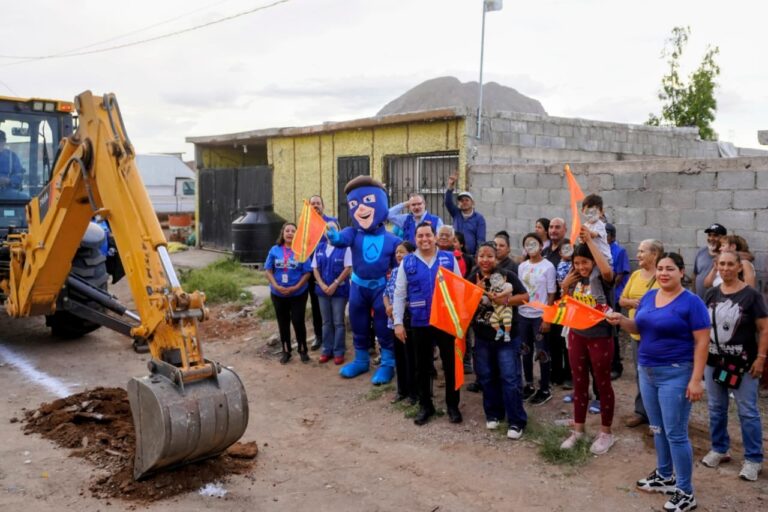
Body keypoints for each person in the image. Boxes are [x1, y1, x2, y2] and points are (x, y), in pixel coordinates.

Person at [608, 253, 710, 512]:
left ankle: (686, 492)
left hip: (676, 373)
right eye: (661, 269)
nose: (664, 273)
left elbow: (702, 342)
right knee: (656, 428)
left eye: (670, 269)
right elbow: (639, 327)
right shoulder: (650, 297)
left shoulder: (692, 303)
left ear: (681, 272)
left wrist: (696, 380)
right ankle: (665, 475)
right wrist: (621, 322)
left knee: (675, 433)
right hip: (647, 371)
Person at [701, 250, 768, 482]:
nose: (726, 268)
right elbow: (702, 329)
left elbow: (764, 328)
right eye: (722, 264)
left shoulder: (751, 296)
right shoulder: (711, 293)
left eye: (731, 264)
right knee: (716, 407)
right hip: (714, 362)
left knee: (747, 411)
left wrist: (761, 358)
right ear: (717, 266)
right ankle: (720, 449)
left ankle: (753, 459)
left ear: (740, 267)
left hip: (743, 364)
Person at [393, 222, 461, 426]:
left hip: (445, 321)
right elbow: (399, 293)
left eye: (428, 235)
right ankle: (426, 405)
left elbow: (459, 289)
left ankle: (452, 405)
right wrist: (397, 322)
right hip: (420, 321)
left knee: (450, 365)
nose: (425, 239)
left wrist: (459, 320)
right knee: (421, 366)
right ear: (415, 239)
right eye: (420, 236)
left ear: (435, 237)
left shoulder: (448, 259)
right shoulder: (408, 262)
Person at [559, 228, 616, 455]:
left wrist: (590, 241)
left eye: (586, 262)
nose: (582, 267)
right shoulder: (574, 279)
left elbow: (606, 269)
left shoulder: (602, 278)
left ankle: (606, 433)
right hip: (577, 334)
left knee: (602, 384)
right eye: (578, 262)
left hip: (600, 336)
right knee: (579, 383)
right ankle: (579, 430)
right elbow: (566, 306)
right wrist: (564, 287)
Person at [469, 242, 529, 439]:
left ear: (496, 258)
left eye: (489, 256)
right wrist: (474, 292)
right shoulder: (472, 276)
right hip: (482, 337)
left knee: (510, 378)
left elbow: (524, 296)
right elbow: (463, 303)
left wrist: (504, 301)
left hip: (507, 337)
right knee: (486, 377)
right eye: (481, 256)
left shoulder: (507, 275)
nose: (485, 260)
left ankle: (516, 421)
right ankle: (493, 414)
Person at [619, 239, 664, 428]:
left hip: (656, 336)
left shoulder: (662, 276)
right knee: (640, 374)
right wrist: (632, 303)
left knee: (658, 376)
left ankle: (659, 416)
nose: (638, 255)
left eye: (642, 251)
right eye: (638, 251)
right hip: (636, 335)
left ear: (654, 255)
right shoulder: (636, 275)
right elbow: (621, 300)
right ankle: (641, 412)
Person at [517, 233, 557, 405]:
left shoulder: (548, 267)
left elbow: (551, 293)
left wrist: (547, 318)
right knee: (525, 351)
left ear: (541, 246)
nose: (531, 247)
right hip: (523, 315)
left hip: (539, 317)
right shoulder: (522, 266)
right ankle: (529, 385)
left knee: (542, 352)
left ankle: (545, 388)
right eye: (527, 244)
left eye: (534, 243)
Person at [265, 222, 313, 364]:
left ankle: (303, 350)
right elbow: (268, 270)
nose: (290, 233)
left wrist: (296, 287)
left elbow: (307, 273)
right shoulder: (274, 250)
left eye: (293, 231)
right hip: (278, 294)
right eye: (288, 230)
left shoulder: (302, 251)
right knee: (283, 323)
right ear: (283, 233)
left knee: (298, 321)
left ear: (297, 235)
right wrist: (276, 286)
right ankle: (286, 352)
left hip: (298, 294)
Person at [312, 221, 352, 365]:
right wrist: (322, 285)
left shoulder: (345, 248)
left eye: (333, 228)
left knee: (338, 322)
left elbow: (347, 268)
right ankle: (326, 350)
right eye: (327, 228)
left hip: (339, 291)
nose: (329, 231)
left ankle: (339, 351)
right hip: (322, 291)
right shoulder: (320, 248)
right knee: (326, 322)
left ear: (339, 230)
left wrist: (334, 284)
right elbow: (315, 268)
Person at [384, 241, 418, 405]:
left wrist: (396, 306)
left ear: (411, 254)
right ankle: (401, 391)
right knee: (399, 358)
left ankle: (413, 394)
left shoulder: (413, 272)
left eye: (402, 252)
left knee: (410, 358)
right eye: (397, 252)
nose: (398, 255)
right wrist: (387, 307)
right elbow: (386, 293)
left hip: (407, 321)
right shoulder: (394, 271)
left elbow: (412, 297)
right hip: (393, 322)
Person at [542, 217, 572, 389]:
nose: (553, 230)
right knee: (553, 339)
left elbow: (576, 269)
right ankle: (556, 374)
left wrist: (567, 283)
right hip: (550, 303)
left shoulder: (568, 248)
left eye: (557, 227)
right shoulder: (545, 251)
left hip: (566, 304)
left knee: (565, 341)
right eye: (551, 227)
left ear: (565, 229)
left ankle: (569, 376)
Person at [307, 195, 336, 351]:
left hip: (331, 270)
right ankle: (319, 336)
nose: (316, 205)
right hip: (313, 271)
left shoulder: (331, 222)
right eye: (313, 204)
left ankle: (336, 336)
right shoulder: (305, 224)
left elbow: (339, 242)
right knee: (316, 305)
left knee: (335, 304)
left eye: (318, 203)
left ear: (323, 205)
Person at [607, 223, 630, 380]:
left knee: (613, 332)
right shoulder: (599, 249)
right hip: (603, 296)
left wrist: (606, 285)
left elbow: (619, 275)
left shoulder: (619, 251)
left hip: (613, 296)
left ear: (613, 236)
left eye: (606, 234)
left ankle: (616, 365)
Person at [445, 173, 486, 255]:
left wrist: (477, 256)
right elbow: (447, 202)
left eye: (467, 200)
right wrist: (450, 186)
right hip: (455, 253)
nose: (464, 202)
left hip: (471, 256)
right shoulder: (456, 213)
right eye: (461, 200)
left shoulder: (479, 218)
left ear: (472, 203)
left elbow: (481, 240)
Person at [693, 223, 726, 299]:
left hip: (718, 301)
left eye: (715, 235)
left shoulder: (728, 254)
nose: (711, 238)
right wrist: (694, 294)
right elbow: (695, 274)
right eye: (709, 235)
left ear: (723, 238)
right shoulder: (701, 252)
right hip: (700, 299)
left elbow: (748, 256)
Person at [581, 194, 612, 265]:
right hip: (593, 259)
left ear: (601, 213)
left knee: (593, 276)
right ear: (582, 211)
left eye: (594, 212)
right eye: (588, 212)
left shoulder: (600, 224)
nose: (591, 215)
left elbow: (593, 234)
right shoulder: (586, 225)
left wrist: (584, 231)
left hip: (604, 259)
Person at [0, 130, 25, 196]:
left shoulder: (12, 157)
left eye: (1, 141)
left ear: (4, 142)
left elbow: (19, 176)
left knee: (25, 197)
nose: (0, 143)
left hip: (9, 193)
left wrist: (8, 180)